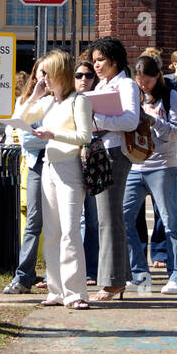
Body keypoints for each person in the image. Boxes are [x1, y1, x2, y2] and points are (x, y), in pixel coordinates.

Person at [16, 49, 91, 308]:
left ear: (60, 73)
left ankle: (76, 292)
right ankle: (55, 290)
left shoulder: (77, 101)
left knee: (70, 231)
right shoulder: (48, 102)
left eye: (47, 73)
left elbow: (85, 136)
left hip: (69, 168)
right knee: (51, 233)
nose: (43, 78)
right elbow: (21, 118)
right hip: (49, 168)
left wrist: (53, 135)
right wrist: (35, 95)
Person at [124, 56, 177, 294]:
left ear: (158, 76)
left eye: (148, 82)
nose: (144, 86)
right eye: (140, 82)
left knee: (171, 221)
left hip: (163, 165)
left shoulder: (171, 97)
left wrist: (153, 120)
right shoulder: (134, 94)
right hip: (135, 165)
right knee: (124, 218)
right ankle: (139, 273)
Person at [89, 36, 141, 301]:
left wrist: (99, 119)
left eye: (101, 61)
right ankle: (118, 277)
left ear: (115, 61)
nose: (96, 66)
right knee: (105, 217)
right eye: (95, 61)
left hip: (115, 152)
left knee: (109, 217)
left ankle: (112, 281)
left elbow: (132, 120)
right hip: (98, 150)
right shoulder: (102, 85)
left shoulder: (127, 84)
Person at [3, 59, 48, 294]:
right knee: (33, 222)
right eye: (42, 73)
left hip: (61, 165)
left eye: (50, 73)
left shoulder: (63, 102)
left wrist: (47, 137)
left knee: (61, 224)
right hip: (36, 165)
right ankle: (23, 276)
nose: (45, 79)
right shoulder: (28, 102)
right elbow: (24, 136)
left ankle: (55, 275)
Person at [74, 57, 100, 284]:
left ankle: (91, 269)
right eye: (79, 75)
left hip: (92, 163)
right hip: (70, 163)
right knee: (74, 220)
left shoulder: (99, 99)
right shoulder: (67, 100)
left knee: (92, 219)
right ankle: (75, 269)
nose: (84, 80)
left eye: (88, 75)